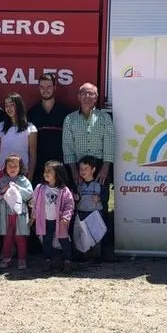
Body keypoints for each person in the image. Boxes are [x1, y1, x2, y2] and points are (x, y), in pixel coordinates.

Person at [62, 82, 114, 260]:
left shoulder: (104, 118)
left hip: (99, 166)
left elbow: (109, 144)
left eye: (91, 94)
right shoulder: (70, 119)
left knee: (101, 205)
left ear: (96, 97)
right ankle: (79, 249)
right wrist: (74, 171)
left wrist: (105, 168)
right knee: (77, 206)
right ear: (78, 96)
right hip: (78, 167)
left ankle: (102, 249)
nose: (87, 97)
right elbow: (67, 147)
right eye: (84, 93)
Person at [27, 73, 73, 185]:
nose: (45, 90)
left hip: (61, 168)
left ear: (54, 87)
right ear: (39, 88)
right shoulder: (32, 113)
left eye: (48, 86)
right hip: (39, 169)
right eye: (42, 87)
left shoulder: (65, 112)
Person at [32, 161, 75, 273]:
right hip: (45, 220)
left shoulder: (64, 190)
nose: (46, 173)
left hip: (59, 221)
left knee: (64, 240)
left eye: (49, 171)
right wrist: (34, 215)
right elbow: (35, 203)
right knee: (47, 240)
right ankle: (48, 260)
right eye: (45, 171)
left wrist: (66, 217)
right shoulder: (40, 188)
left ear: (57, 174)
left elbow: (69, 205)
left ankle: (67, 261)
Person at [0, 154, 34, 270]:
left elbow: (29, 194)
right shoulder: (2, 181)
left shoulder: (23, 180)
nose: (12, 168)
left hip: (20, 214)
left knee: (20, 237)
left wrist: (17, 188)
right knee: (7, 237)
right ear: (5, 167)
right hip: (7, 214)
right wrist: (3, 190)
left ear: (20, 167)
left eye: (15, 166)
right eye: (9, 166)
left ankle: (22, 259)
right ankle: (6, 258)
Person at [0, 93, 38, 179]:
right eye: (6, 105)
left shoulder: (30, 128)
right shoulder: (1, 127)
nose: (9, 108)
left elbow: (33, 155)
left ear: (19, 106)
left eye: (12, 105)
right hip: (2, 173)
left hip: (21, 174)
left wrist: (30, 177)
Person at [75, 155, 104, 264]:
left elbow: (105, 196)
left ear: (93, 169)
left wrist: (99, 198)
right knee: (83, 235)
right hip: (82, 212)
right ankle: (84, 255)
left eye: (86, 169)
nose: (83, 171)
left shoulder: (99, 183)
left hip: (95, 213)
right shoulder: (78, 184)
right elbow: (77, 197)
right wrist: (76, 197)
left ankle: (96, 257)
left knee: (96, 234)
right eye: (81, 169)